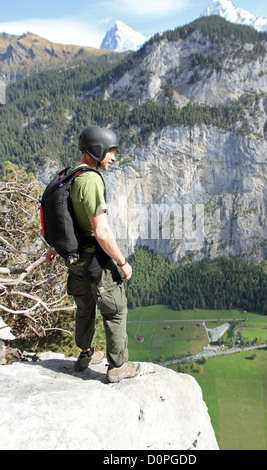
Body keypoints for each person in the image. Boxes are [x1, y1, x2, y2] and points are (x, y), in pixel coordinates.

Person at [46, 125, 140, 383]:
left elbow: (64, 216)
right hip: (93, 260)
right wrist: (122, 262)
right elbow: (101, 231)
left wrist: (56, 246)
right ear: (97, 150)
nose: (113, 157)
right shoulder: (90, 180)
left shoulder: (68, 175)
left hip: (73, 260)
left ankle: (86, 354)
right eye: (110, 151)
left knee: (84, 307)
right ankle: (118, 367)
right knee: (115, 310)